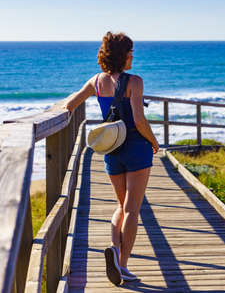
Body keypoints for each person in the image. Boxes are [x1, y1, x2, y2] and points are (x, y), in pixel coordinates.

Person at [64, 31, 159, 285]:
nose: (132, 56)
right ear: (122, 55)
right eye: (130, 52)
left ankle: (114, 252)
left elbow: (70, 104)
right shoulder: (135, 82)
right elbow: (139, 120)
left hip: (112, 151)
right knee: (132, 209)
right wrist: (154, 140)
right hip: (136, 150)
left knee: (121, 206)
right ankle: (122, 263)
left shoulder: (96, 81)